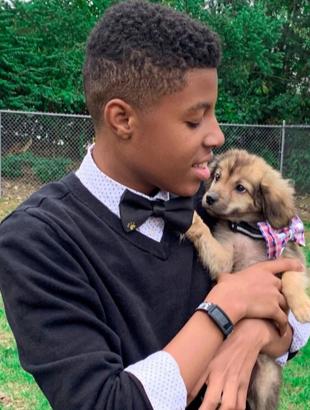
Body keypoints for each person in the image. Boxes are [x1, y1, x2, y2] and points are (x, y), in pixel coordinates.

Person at [0, 1, 309, 409]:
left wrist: (252, 335)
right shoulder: (37, 239)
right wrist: (225, 309)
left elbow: (297, 322)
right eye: (195, 120)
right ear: (122, 119)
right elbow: (104, 402)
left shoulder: (212, 201)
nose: (216, 135)